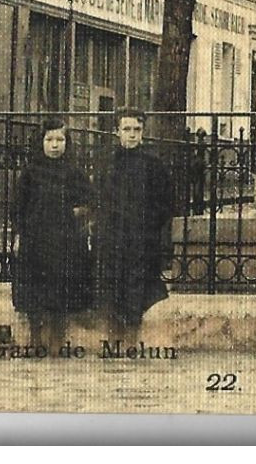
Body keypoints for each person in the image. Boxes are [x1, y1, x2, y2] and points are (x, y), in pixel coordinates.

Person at [92, 109, 175, 347]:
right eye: (126, 129)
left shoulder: (153, 164)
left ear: (143, 133)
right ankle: (112, 340)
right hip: (111, 236)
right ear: (116, 131)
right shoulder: (107, 162)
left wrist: (149, 227)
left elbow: (165, 202)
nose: (131, 135)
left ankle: (130, 340)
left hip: (140, 237)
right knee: (111, 284)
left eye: (136, 130)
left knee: (136, 287)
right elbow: (98, 197)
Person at [10, 119, 92, 353]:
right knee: (35, 291)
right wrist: (19, 235)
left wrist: (78, 212)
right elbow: (17, 208)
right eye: (50, 140)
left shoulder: (74, 172)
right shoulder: (30, 172)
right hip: (35, 239)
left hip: (65, 240)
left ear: (67, 143)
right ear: (41, 142)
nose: (55, 145)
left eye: (60, 140)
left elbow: (90, 200)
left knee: (61, 289)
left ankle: (57, 339)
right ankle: (35, 338)